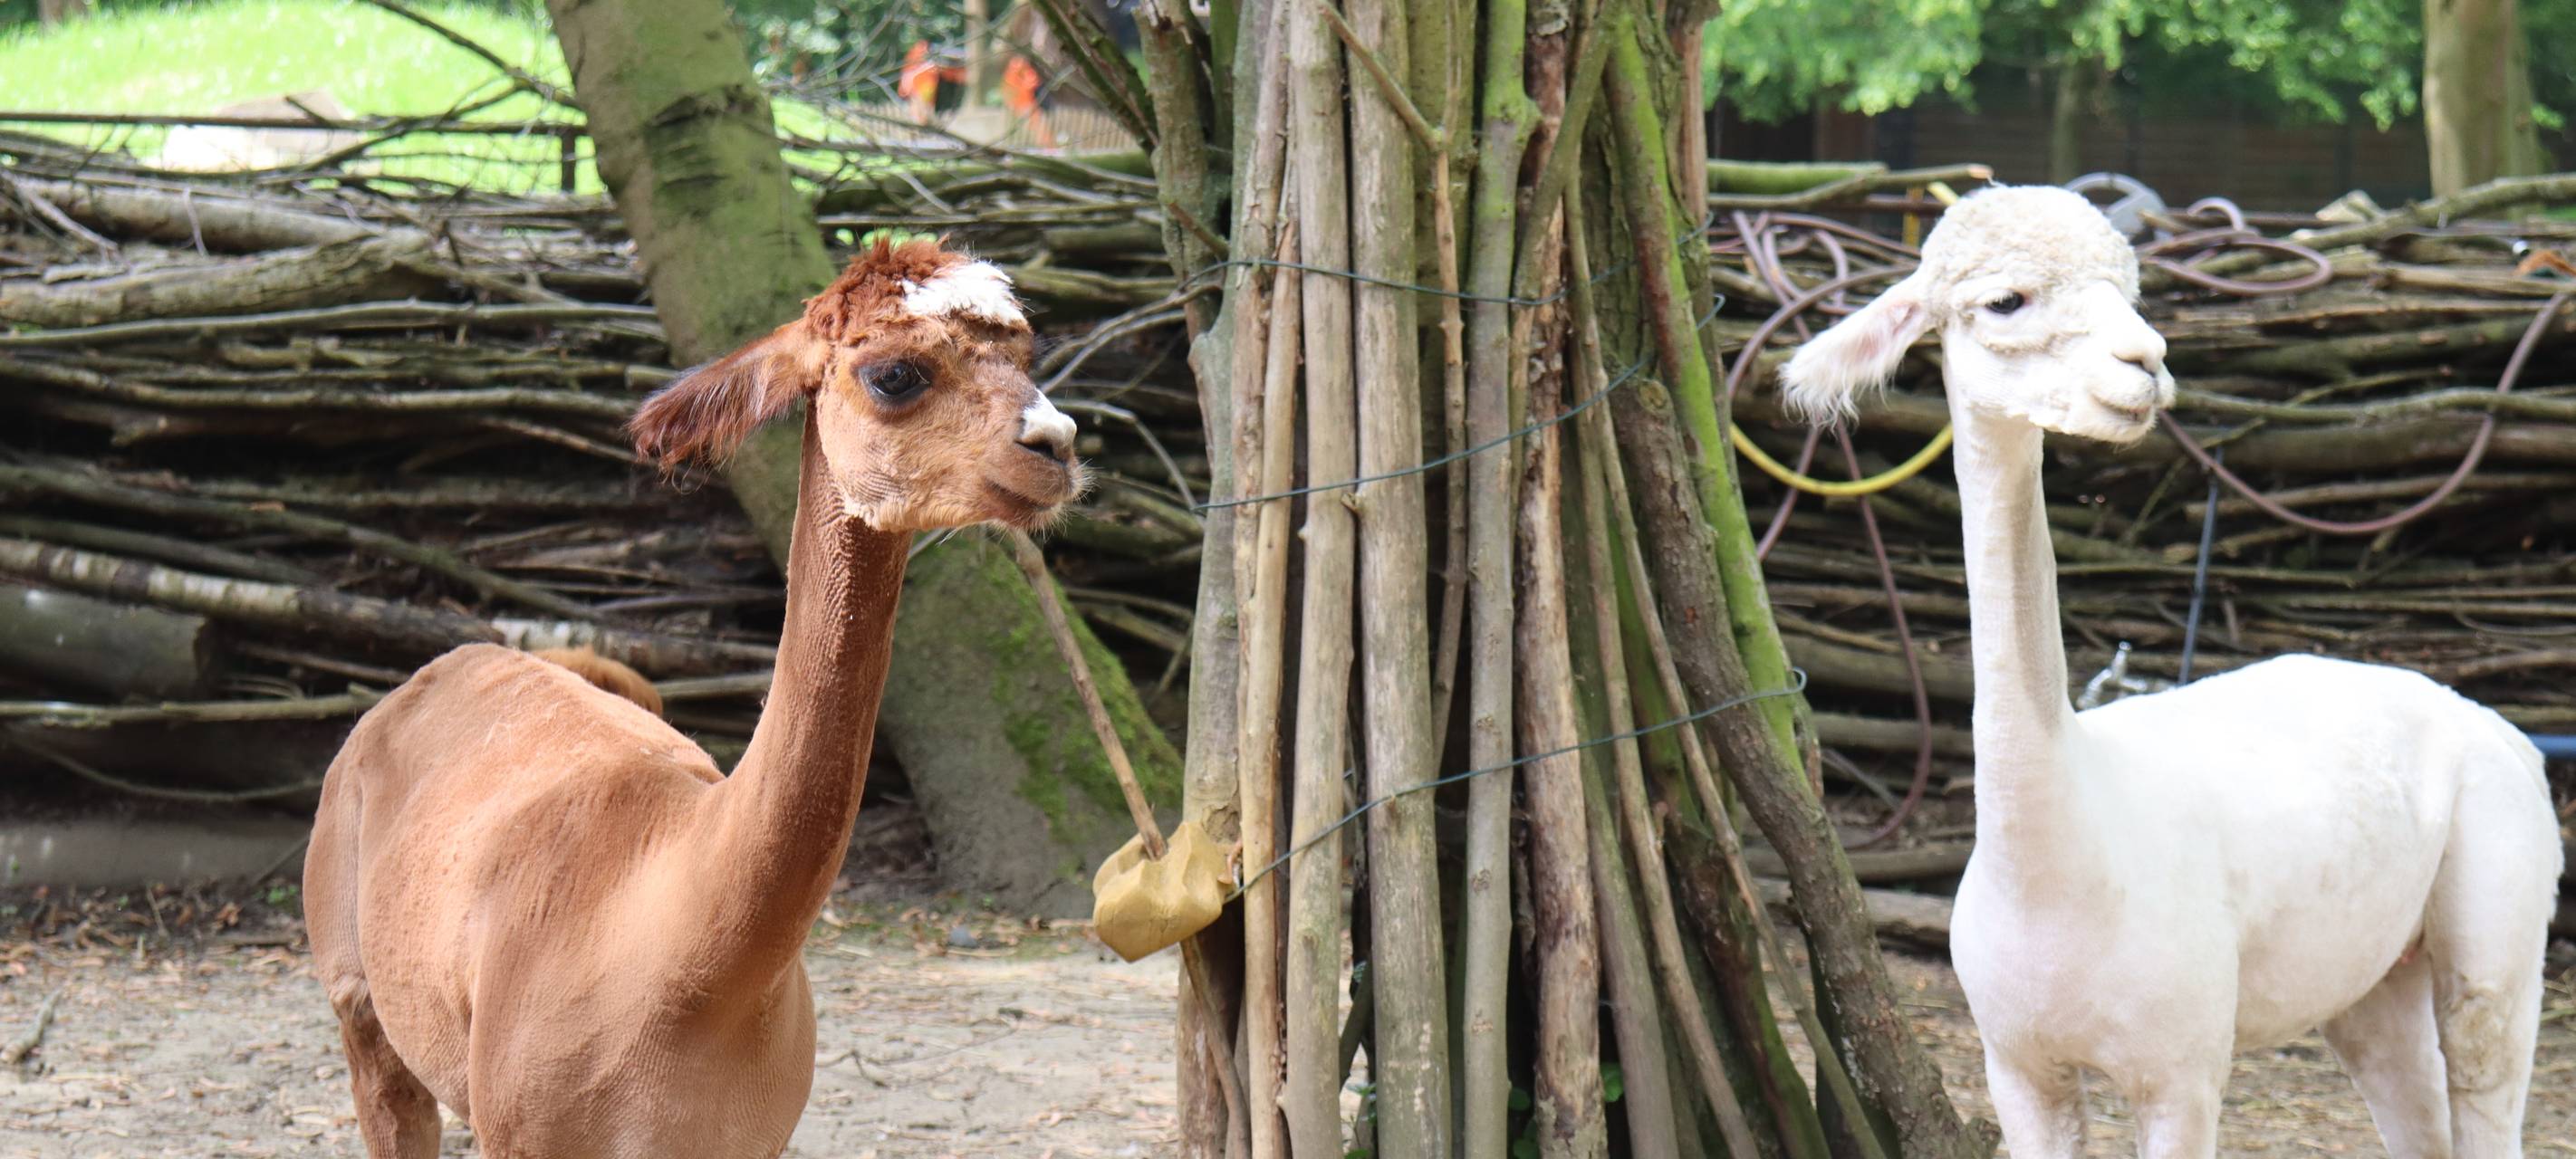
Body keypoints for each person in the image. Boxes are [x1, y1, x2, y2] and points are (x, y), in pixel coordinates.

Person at [1002, 55, 1053, 149]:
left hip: (1030, 105)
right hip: (1022, 106)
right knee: (1033, 129)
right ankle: (1044, 147)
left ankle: (1049, 147)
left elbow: (1033, 84)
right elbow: (1008, 93)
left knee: (1040, 127)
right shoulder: (1011, 77)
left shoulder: (1028, 74)